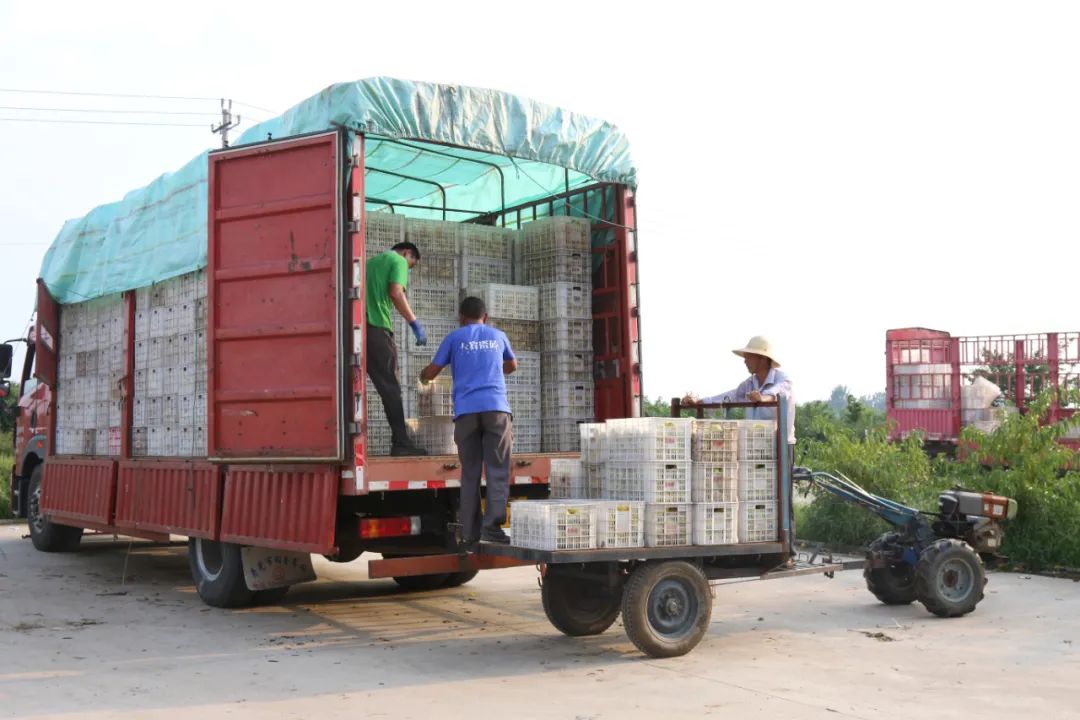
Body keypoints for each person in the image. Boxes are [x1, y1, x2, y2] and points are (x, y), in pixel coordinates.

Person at [419, 297, 517, 548]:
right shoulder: (497, 335)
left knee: (470, 472)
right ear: (485, 317)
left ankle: (470, 533)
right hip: (496, 409)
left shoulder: (455, 338)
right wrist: (493, 369)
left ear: (462, 317)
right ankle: (492, 529)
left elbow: (431, 372)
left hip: (466, 413)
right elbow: (512, 366)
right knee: (497, 471)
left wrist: (422, 376)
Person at [366, 241, 428, 456]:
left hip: (355, 329)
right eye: (412, 265)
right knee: (391, 388)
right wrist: (414, 323)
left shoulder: (369, 263)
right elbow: (396, 292)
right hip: (376, 328)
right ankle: (401, 443)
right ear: (407, 252)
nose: (408, 269)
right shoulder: (398, 260)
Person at [683, 335, 794, 446]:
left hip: (781, 447)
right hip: (753, 445)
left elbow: (776, 393)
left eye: (748, 357)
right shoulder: (749, 384)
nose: (745, 361)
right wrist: (698, 402)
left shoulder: (783, 379)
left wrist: (762, 398)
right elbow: (729, 397)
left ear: (762, 358)